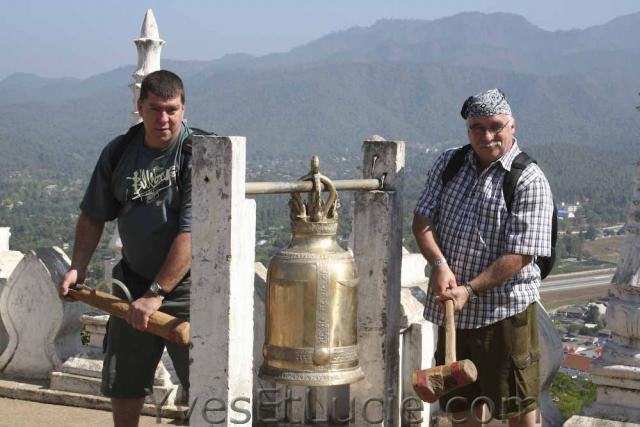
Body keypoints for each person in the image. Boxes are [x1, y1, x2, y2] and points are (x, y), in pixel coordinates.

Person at [412, 88, 553, 426]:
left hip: (504, 310)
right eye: (477, 127)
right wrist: (439, 263)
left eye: (495, 126)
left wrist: (470, 290)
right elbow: (422, 219)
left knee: (517, 405)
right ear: (468, 130)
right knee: (460, 406)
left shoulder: (528, 179)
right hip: (454, 314)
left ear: (512, 127)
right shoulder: (450, 162)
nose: (486, 136)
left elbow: (521, 254)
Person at [59, 70, 193, 427]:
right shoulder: (120, 152)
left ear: (183, 108)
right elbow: (93, 215)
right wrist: (78, 267)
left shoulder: (198, 155)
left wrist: (157, 293)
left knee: (206, 382)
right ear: (140, 108)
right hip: (133, 284)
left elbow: (191, 234)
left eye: (172, 109)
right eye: (154, 109)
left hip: (191, 291)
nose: (163, 118)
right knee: (125, 383)